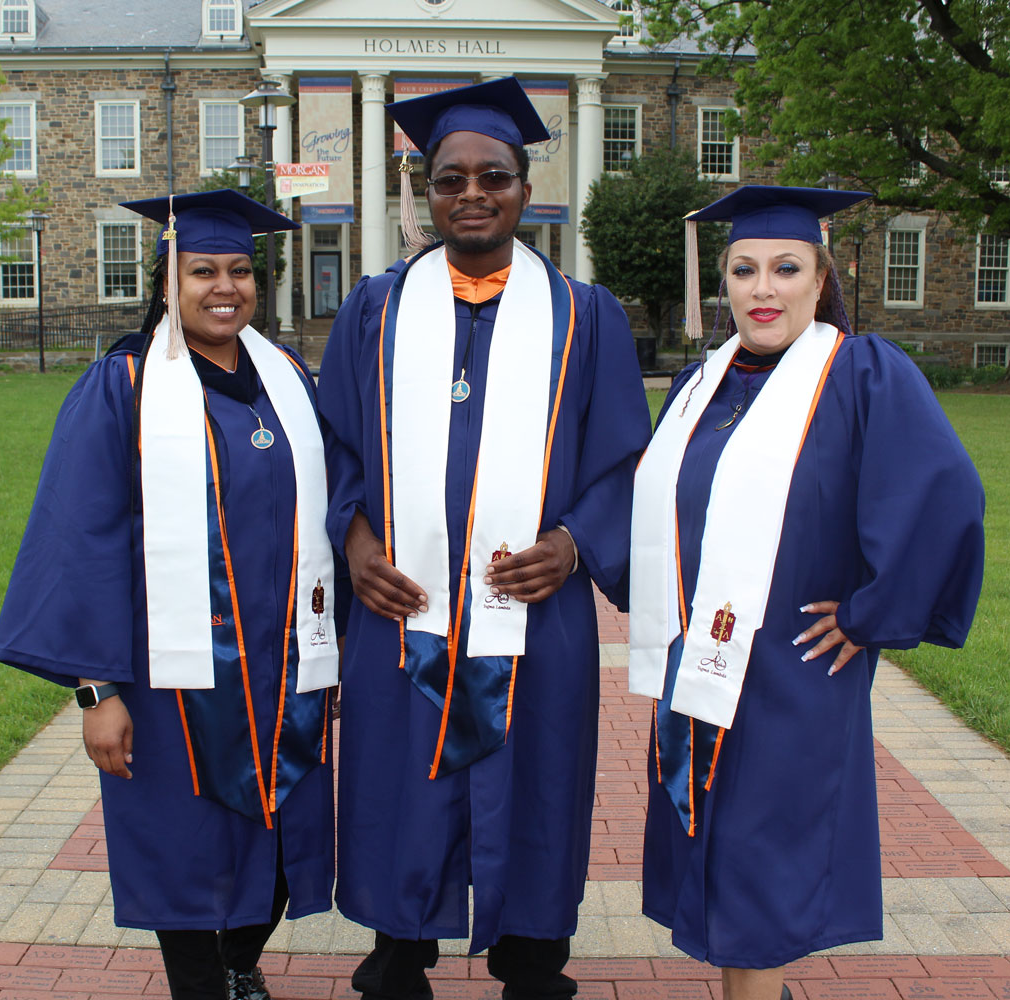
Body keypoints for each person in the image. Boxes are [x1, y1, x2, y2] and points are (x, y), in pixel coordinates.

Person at [316, 77, 652, 1000]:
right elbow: (333, 445)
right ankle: (398, 949)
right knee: (398, 773)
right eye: (450, 178)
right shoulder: (374, 311)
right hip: (402, 603)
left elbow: (628, 460)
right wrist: (355, 542)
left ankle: (533, 958)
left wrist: (576, 542)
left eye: (493, 176)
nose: (472, 193)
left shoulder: (585, 315)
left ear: (525, 189)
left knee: (537, 774)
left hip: (535, 612)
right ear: (426, 192)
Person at [628, 186, 985, 1000]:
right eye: (744, 269)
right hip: (701, 659)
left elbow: (943, 493)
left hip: (792, 670)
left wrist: (870, 614)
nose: (764, 288)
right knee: (724, 848)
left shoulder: (860, 374)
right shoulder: (701, 386)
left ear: (821, 280)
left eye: (786, 268)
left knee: (762, 855)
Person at [0, 189, 343, 1000]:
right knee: (183, 845)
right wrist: (96, 690)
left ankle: (240, 961)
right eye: (202, 271)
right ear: (166, 284)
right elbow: (81, 539)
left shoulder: (286, 377)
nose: (225, 287)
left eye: (240, 271)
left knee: (280, 836)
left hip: (283, 667)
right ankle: (200, 983)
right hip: (173, 680)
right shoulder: (125, 385)